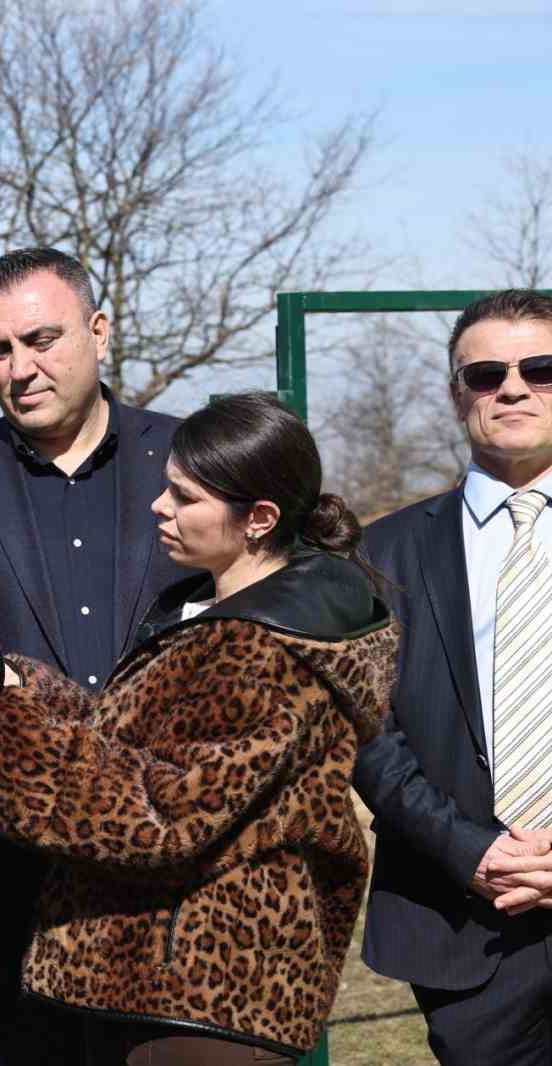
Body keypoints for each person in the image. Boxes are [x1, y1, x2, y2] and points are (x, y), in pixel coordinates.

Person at [0, 393, 397, 1065]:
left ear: (259, 519)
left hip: (207, 1005)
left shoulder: (265, 648)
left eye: (185, 497)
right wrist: (20, 690)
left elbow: (157, 813)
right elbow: (137, 747)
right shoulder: (207, 607)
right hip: (152, 987)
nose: (160, 506)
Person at [0, 247, 189, 1062]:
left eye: (42, 339)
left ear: (100, 332)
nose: (19, 367)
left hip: (175, 875)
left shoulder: (192, 459)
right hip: (16, 877)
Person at [355, 289, 552, 1065]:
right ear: (455, 394)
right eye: (485, 373)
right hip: (462, 923)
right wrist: (468, 849)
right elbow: (367, 732)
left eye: (542, 368)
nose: (511, 387)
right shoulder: (377, 557)